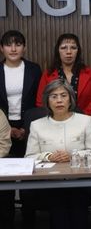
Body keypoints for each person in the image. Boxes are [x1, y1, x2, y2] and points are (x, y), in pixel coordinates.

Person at [24, 79, 91, 229]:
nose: (59, 100)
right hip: (50, 182)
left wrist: (73, 156)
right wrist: (49, 157)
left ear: (70, 99)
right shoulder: (37, 125)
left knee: (78, 208)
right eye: (54, 96)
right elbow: (29, 157)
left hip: (81, 181)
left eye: (63, 95)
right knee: (58, 208)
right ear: (47, 101)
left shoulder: (86, 121)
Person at [0, 30, 41, 228]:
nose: (13, 48)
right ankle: (6, 220)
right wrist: (7, 129)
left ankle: (29, 220)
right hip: (2, 129)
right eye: (9, 44)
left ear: (24, 47)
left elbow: (39, 101)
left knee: (29, 177)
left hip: (29, 128)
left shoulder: (34, 69)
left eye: (18, 44)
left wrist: (25, 127)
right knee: (4, 180)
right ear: (2, 48)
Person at [35, 33, 91, 143]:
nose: (69, 52)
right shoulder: (48, 74)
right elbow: (40, 102)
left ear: (78, 51)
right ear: (58, 51)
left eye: (73, 48)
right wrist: (57, 119)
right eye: (64, 48)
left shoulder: (89, 73)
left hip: (84, 125)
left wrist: (80, 119)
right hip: (55, 126)